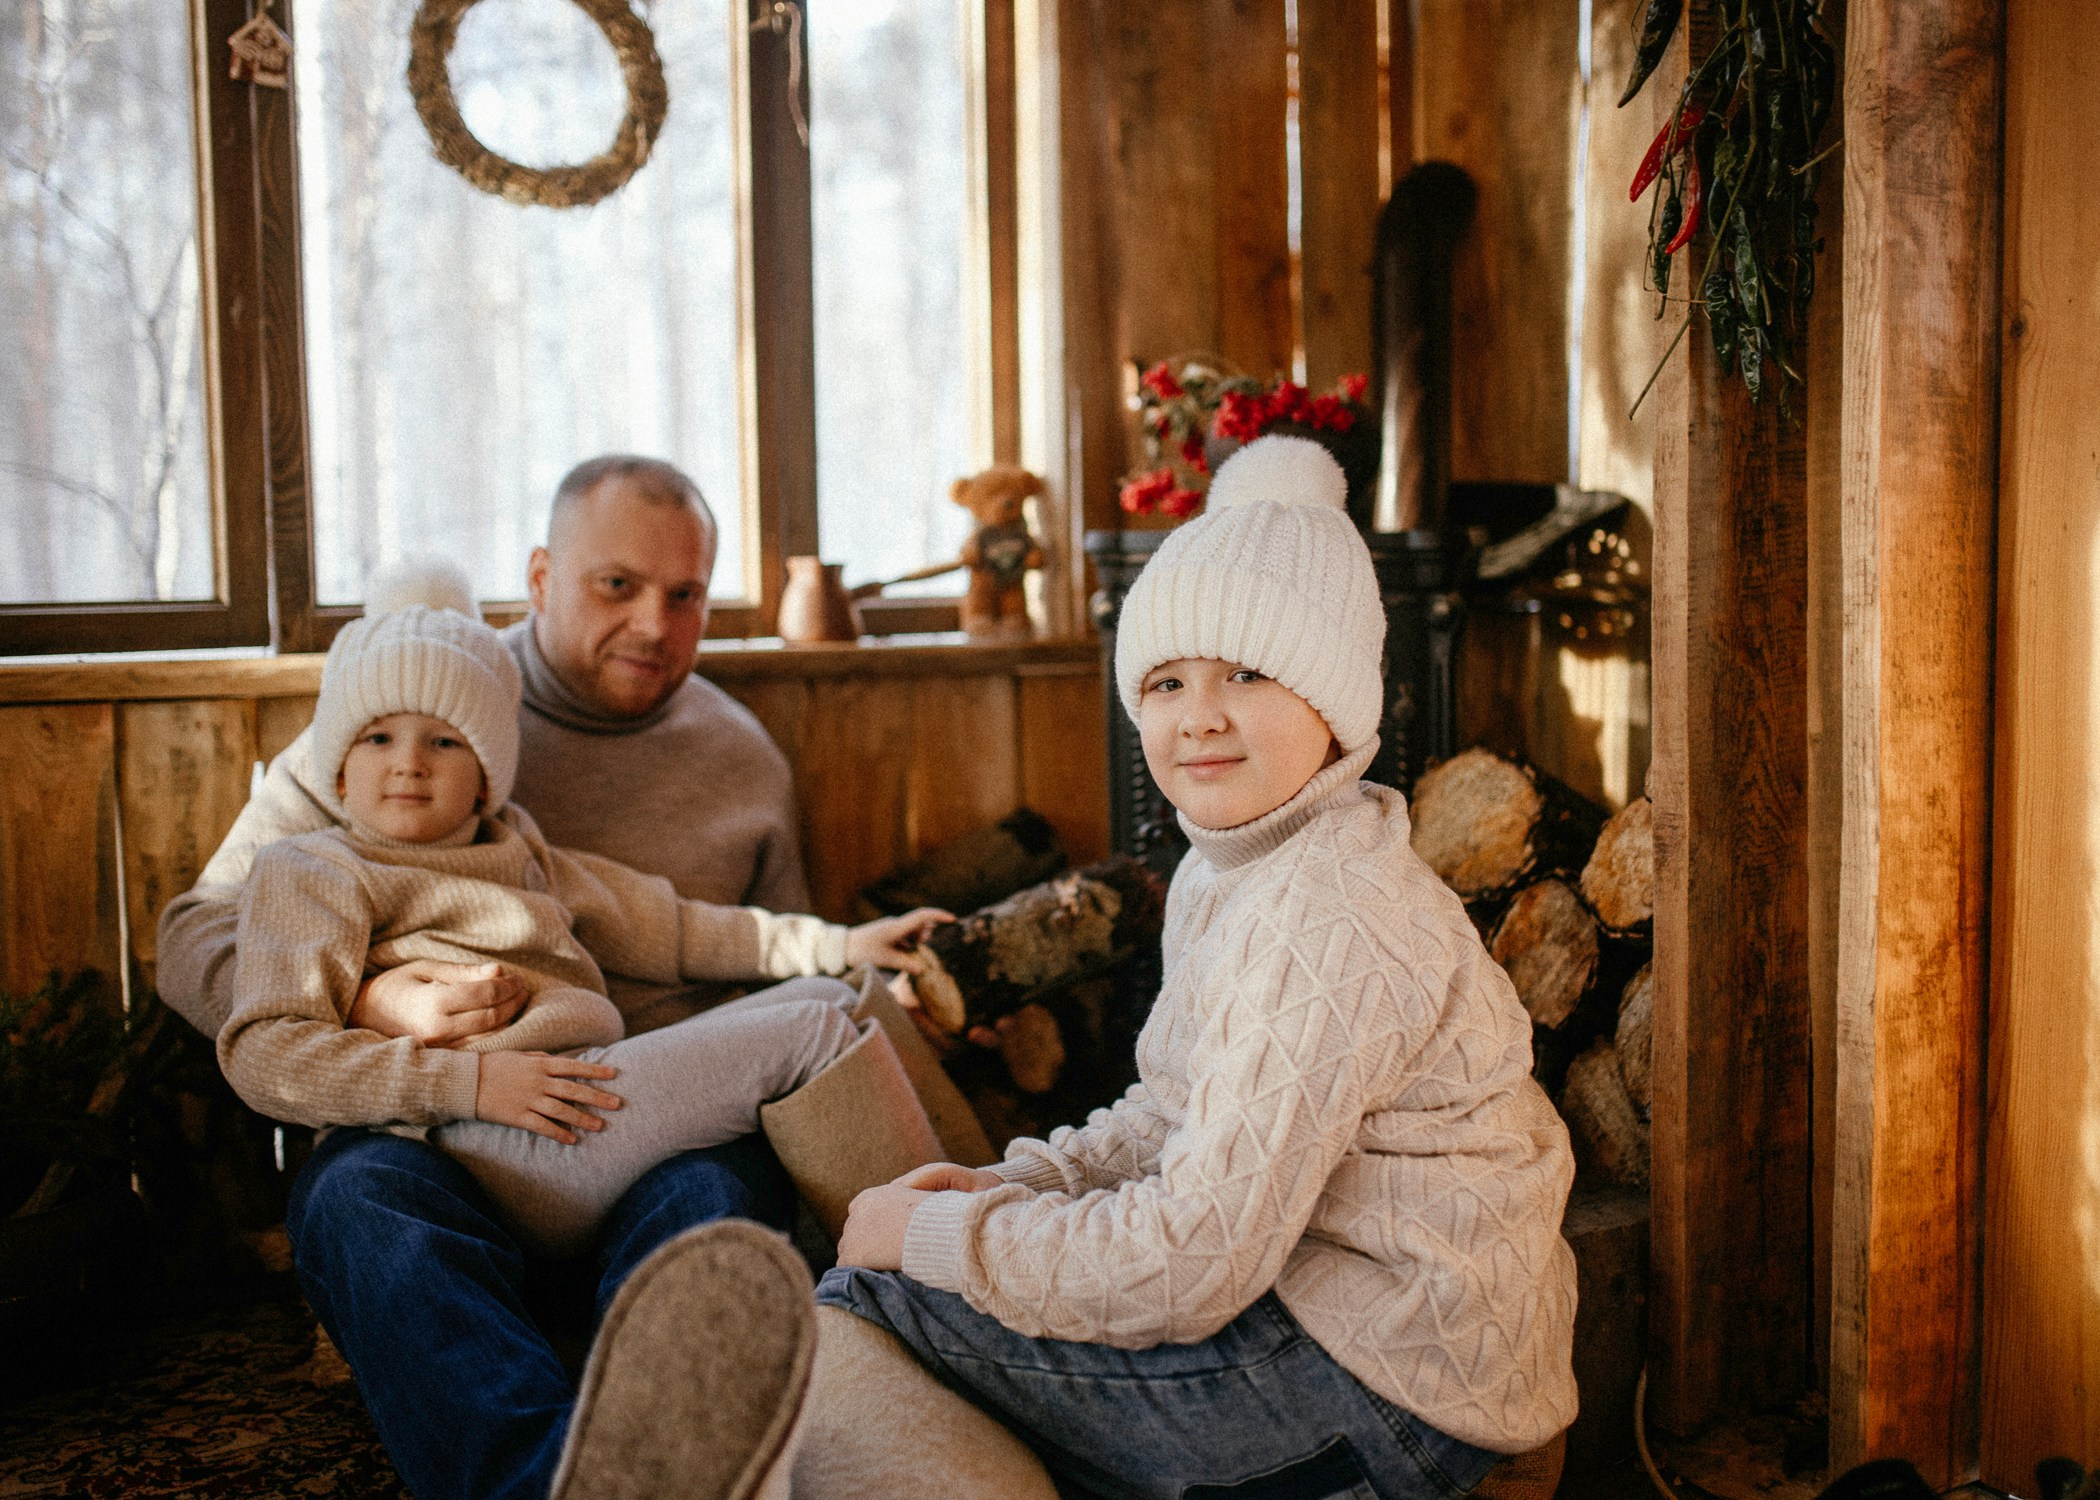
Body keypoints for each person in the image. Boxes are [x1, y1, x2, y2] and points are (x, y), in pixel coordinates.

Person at [817, 435, 1581, 1499]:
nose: (1200, 715)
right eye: (1168, 681)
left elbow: (1187, 1263)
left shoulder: (1327, 914)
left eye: (1251, 672)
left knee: (875, 1301)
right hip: (1325, 1313)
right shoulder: (1240, 866)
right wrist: (1019, 1182)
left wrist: (949, 1236)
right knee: (895, 1285)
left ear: (1336, 705)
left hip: (1395, 1392)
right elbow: (1174, 1111)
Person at [154, 457, 826, 1500]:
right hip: (422, 1133)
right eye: (617, 586)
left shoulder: (744, 759)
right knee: (360, 1204)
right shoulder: (418, 700)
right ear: (542, 575)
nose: (654, 622)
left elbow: (755, 951)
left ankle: (683, 1453)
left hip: (639, 1123)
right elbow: (194, 933)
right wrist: (371, 1001)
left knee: (722, 1199)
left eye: (684, 594)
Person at [217, 589, 947, 1257]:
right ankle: (949, 1264)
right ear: (338, 773)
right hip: (483, 1138)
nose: (409, 763)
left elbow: (679, 928)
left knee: (839, 1000)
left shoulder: (519, 848)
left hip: (581, 1110)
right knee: (810, 1033)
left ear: (486, 780)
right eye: (377, 739)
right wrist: (467, 1082)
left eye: (443, 742)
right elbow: (265, 1054)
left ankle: (984, 1211)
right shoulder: (313, 869)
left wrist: (846, 943)